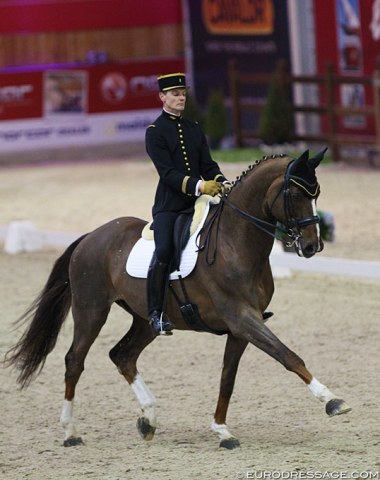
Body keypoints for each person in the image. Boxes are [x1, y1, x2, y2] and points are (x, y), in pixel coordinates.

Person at [145, 72, 230, 336]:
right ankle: (156, 313)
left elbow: (208, 164)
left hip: (199, 203)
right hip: (170, 205)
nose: (181, 98)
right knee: (165, 250)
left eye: (183, 94)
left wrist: (221, 181)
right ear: (162, 97)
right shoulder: (155, 133)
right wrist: (199, 185)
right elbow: (167, 173)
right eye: (175, 94)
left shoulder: (193, 128)